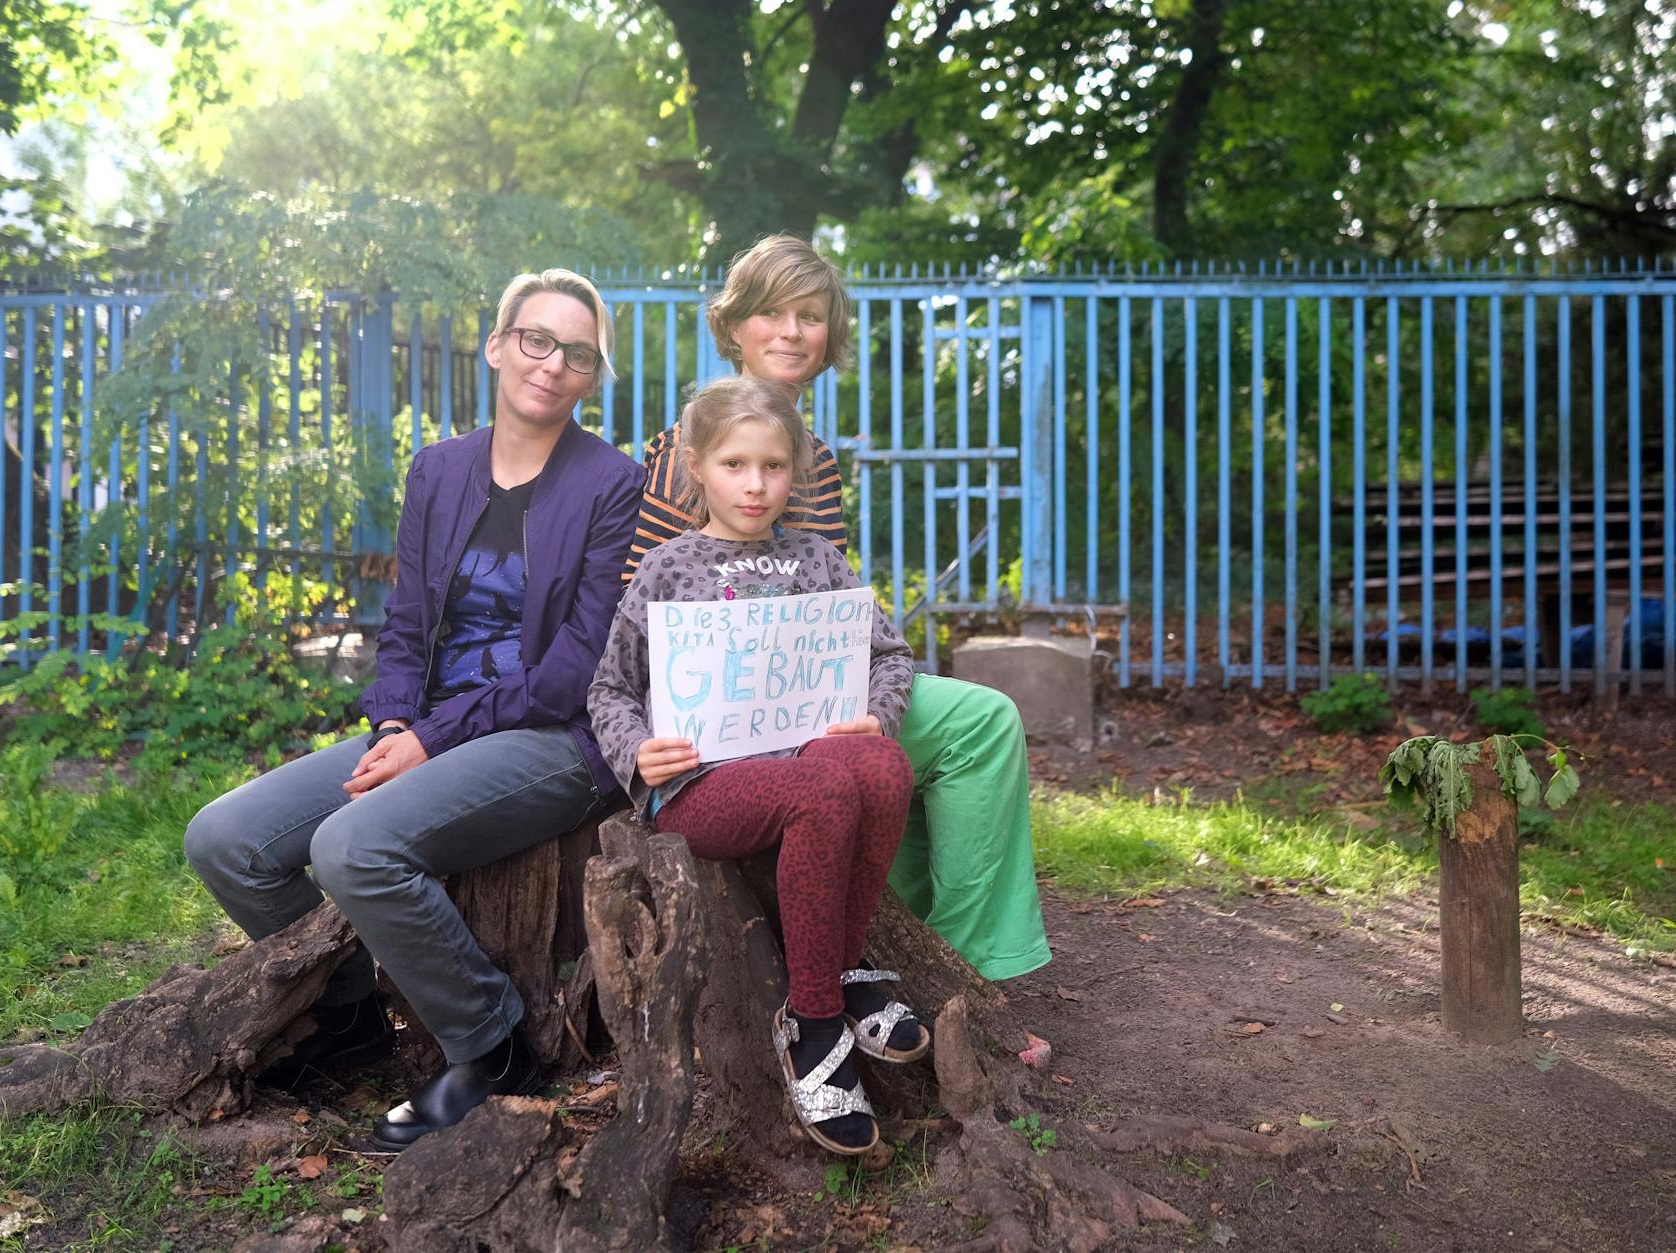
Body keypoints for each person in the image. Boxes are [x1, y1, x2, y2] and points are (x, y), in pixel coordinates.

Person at [183, 269, 644, 1149]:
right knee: (226, 840)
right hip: (430, 725)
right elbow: (404, 625)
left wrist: (430, 736)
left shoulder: (610, 484)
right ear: (499, 343)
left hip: (551, 739)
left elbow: (571, 671)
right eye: (537, 340)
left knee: (354, 845)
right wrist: (397, 721)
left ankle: (493, 1045)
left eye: (577, 353)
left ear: (590, 376)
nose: (552, 364)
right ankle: (346, 1019)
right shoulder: (438, 470)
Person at [622, 234, 1052, 982]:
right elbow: (637, 618)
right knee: (976, 727)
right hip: (723, 730)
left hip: (818, 698)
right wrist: (643, 741)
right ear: (733, 327)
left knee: (971, 726)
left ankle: (952, 964)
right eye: (771, 313)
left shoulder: (815, 457)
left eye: (811, 315)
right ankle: (953, 962)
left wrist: (875, 708)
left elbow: (845, 617)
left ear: (831, 336)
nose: (792, 331)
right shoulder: (686, 447)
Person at [590, 375, 923, 1157]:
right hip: (701, 786)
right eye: (736, 464)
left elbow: (891, 654)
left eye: (773, 466)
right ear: (697, 468)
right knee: (823, 784)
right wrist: (639, 753)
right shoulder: (668, 569)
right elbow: (608, 687)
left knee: (878, 766)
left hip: (808, 762)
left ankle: (838, 968)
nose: (755, 483)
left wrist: (876, 715)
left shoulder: (817, 560)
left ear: (795, 472)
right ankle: (810, 1025)